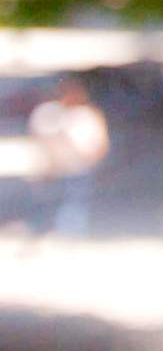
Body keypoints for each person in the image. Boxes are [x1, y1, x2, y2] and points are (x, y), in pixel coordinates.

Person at [28, 77, 108, 236]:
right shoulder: (49, 114)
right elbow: (41, 140)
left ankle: (71, 233)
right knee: (49, 202)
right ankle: (48, 231)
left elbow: (99, 142)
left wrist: (92, 159)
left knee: (75, 203)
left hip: (79, 168)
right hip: (56, 168)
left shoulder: (87, 115)